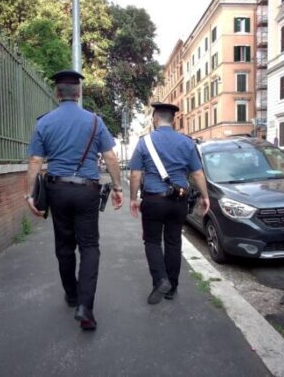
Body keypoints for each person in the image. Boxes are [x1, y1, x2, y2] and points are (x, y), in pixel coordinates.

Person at [25, 70, 123, 331]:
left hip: (57, 190)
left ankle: (72, 295)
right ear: (78, 93)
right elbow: (111, 158)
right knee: (90, 246)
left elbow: (35, 160)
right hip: (88, 190)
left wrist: (29, 194)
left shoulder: (44, 123)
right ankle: (86, 307)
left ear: (57, 94)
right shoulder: (94, 121)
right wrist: (118, 188)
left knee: (64, 245)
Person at [128, 102, 210, 304]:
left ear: (155, 118)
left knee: (153, 241)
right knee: (174, 241)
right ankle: (172, 287)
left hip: (154, 199)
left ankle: (160, 280)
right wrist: (205, 196)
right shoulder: (186, 142)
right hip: (179, 200)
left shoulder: (144, 142)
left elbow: (136, 174)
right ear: (172, 120)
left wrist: (133, 199)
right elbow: (197, 173)